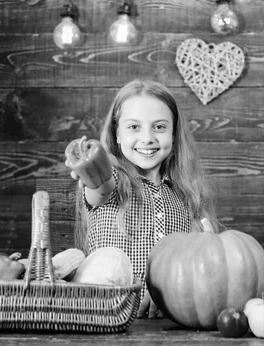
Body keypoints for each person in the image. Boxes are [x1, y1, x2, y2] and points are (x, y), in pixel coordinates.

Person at [66, 79, 220, 318]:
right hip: (106, 311)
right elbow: (101, 188)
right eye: (134, 127)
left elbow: (202, 256)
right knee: (109, 262)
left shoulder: (186, 191)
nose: (147, 138)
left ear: (174, 133)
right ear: (117, 133)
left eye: (159, 127)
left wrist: (173, 293)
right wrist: (91, 171)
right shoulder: (114, 177)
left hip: (168, 318)